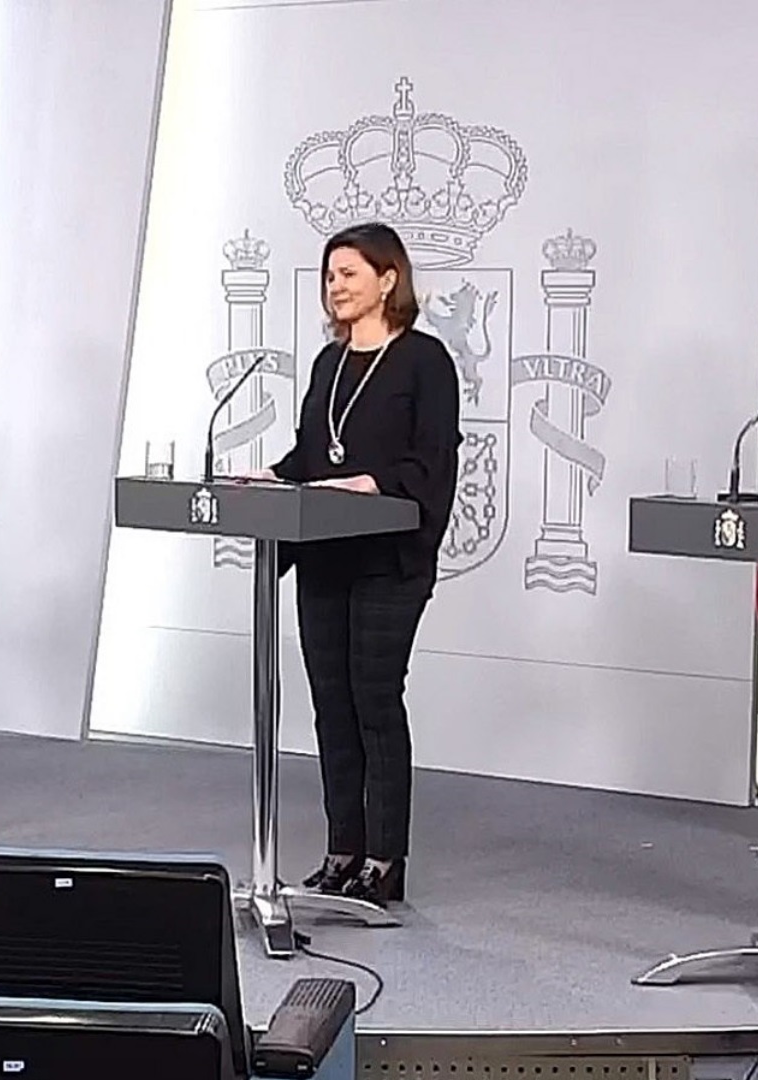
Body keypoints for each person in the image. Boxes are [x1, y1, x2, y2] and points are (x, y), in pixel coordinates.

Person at [255, 222, 461, 907]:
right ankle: (342, 849)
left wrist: (373, 483)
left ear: (388, 279)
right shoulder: (329, 363)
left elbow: (432, 460)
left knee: (374, 699)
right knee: (331, 706)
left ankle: (384, 859)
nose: (335, 287)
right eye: (329, 276)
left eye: (349, 274)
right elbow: (312, 456)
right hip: (326, 557)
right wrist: (270, 478)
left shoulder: (424, 361)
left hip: (387, 561)